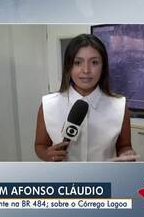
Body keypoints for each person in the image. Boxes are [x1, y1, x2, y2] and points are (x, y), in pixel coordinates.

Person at [34, 34, 137, 162]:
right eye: (77, 63)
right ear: (68, 66)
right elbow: (40, 145)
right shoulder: (48, 105)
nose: (86, 70)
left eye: (94, 62)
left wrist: (127, 154)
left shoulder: (120, 107)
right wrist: (46, 154)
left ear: (103, 67)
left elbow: (124, 146)